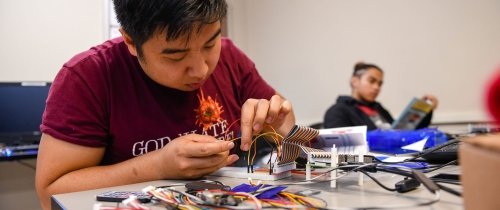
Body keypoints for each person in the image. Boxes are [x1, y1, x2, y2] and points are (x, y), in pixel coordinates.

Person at [34, 0, 296, 209]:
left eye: (209, 43)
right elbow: (51, 194)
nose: (200, 70)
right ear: (130, 41)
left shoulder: (230, 58)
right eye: (176, 56)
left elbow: (285, 122)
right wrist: (157, 166)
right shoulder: (88, 77)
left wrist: (282, 123)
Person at [323, 62, 438, 130]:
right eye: (372, 81)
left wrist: (425, 110)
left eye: (380, 83)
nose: (377, 87)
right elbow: (341, 148)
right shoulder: (337, 111)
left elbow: (402, 133)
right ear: (354, 81)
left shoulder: (379, 109)